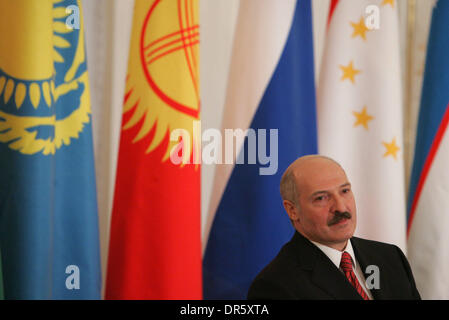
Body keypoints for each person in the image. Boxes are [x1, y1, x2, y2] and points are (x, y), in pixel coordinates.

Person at [247, 155, 420, 300]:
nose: (341, 208)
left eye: (344, 191)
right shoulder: (275, 285)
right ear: (292, 210)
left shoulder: (390, 257)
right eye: (321, 198)